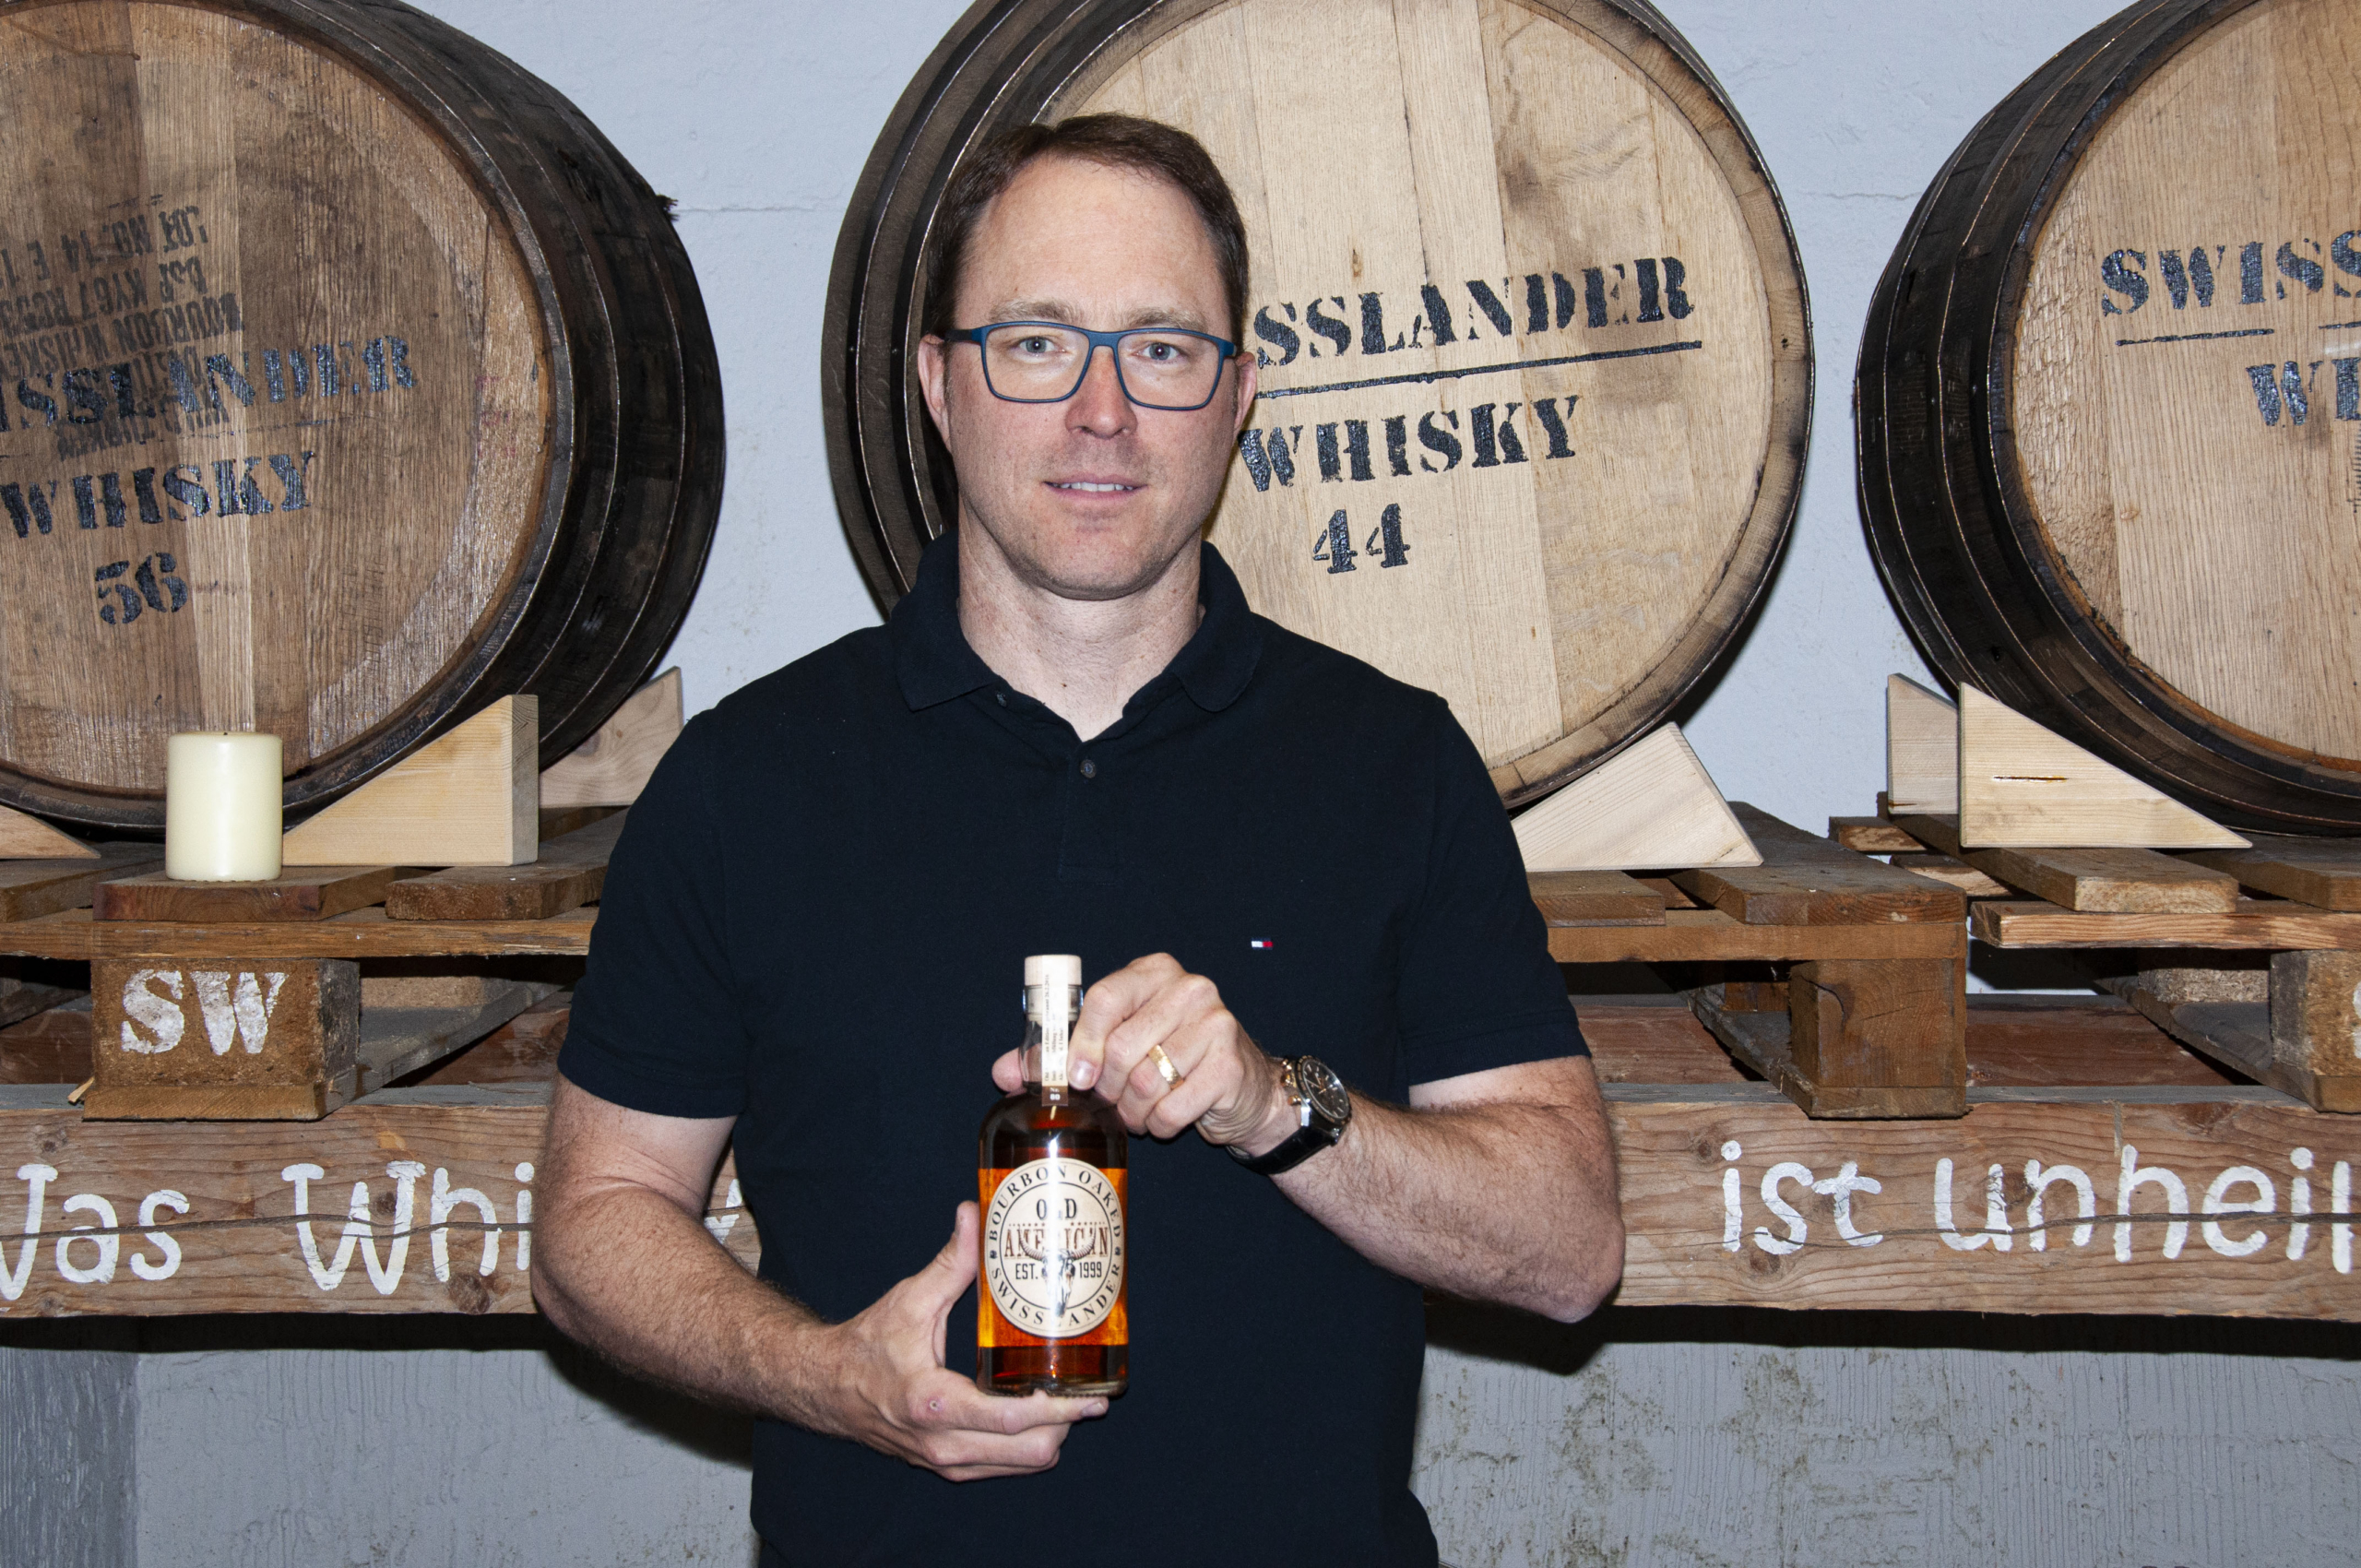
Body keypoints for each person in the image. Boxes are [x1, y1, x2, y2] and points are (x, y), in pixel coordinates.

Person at [532, 113, 1623, 1567]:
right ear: (939, 384)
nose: (1102, 412)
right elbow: (592, 1226)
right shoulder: (749, 780)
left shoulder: (1392, 764)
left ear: (1238, 395)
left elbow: (1568, 1251)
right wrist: (829, 1378)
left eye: (1162, 349)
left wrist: (1276, 1104)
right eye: (1037, 343)